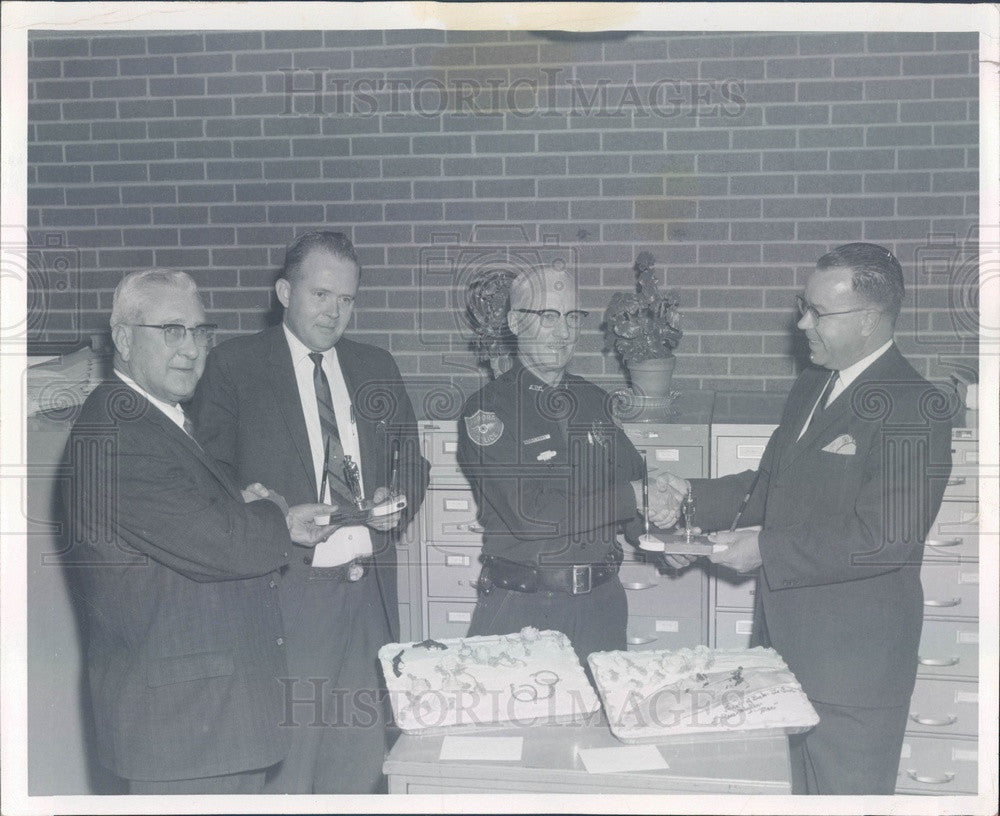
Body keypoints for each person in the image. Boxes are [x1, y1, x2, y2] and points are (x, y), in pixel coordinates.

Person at [660, 243, 954, 794]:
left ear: (868, 320)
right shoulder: (814, 384)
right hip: (782, 656)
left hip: (851, 677)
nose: (802, 322)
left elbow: (884, 538)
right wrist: (688, 502)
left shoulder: (915, 407)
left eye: (818, 312)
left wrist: (766, 548)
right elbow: (769, 487)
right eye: (804, 305)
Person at [61, 269, 336, 794]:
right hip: (185, 731)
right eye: (170, 331)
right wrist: (273, 512)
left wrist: (276, 521)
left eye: (200, 331)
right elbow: (224, 543)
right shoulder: (116, 433)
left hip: (209, 723)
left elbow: (200, 520)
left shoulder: (156, 419)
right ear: (123, 339)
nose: (190, 348)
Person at [189, 231, 429, 794]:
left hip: (367, 595)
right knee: (287, 772)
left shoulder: (375, 366)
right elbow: (208, 474)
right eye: (321, 295)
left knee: (363, 765)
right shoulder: (234, 365)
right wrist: (270, 507)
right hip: (284, 597)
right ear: (283, 292)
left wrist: (397, 501)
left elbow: (411, 463)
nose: (335, 311)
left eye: (346, 300)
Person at [456, 267, 679, 662]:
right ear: (515, 322)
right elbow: (532, 515)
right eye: (548, 317)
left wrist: (663, 539)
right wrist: (630, 499)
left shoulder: (593, 401)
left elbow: (634, 483)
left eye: (572, 317)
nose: (563, 333)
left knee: (601, 718)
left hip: (601, 607)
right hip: (523, 610)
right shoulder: (489, 411)